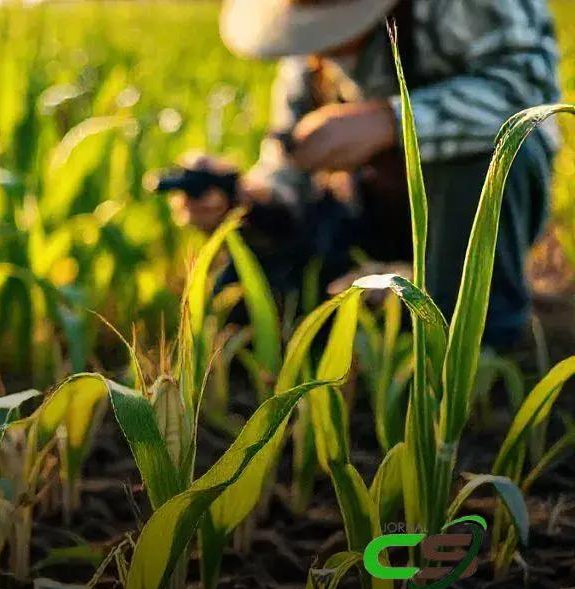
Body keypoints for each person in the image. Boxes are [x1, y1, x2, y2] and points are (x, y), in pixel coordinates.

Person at [169, 0, 560, 348]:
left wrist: (391, 122)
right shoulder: (309, 56)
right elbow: (287, 167)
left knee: (487, 156)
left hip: (475, 201)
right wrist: (245, 200)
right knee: (262, 272)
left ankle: (476, 338)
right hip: (367, 208)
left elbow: (529, 88)